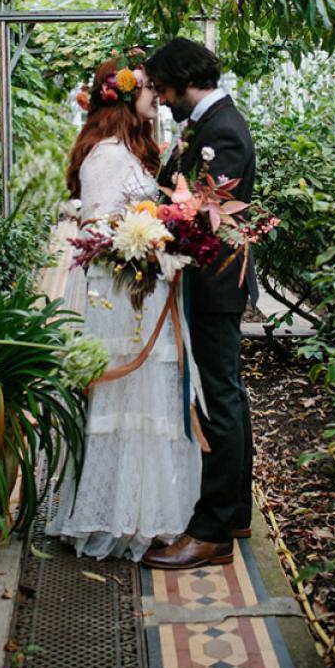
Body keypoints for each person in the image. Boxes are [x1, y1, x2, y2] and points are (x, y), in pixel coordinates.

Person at [47, 56, 203, 562]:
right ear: (124, 97)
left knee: (144, 403)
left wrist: (166, 232)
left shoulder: (124, 151)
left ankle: (141, 509)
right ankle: (117, 515)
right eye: (148, 91)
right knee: (126, 402)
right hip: (119, 297)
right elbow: (99, 230)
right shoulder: (107, 157)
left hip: (137, 289)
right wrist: (152, 237)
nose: (155, 97)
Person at [141, 37, 258, 571]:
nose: (162, 100)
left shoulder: (224, 131)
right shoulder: (206, 125)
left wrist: (159, 227)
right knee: (226, 393)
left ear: (187, 79)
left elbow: (210, 221)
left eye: (165, 89)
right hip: (207, 285)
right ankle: (233, 511)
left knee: (219, 400)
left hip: (214, 286)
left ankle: (212, 532)